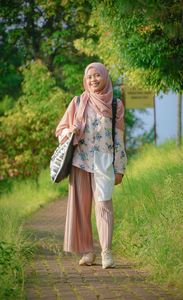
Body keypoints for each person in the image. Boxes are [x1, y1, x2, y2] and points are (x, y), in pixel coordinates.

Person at [55, 62, 127, 269]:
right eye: (89, 77)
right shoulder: (78, 102)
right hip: (79, 163)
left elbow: (119, 138)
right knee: (81, 208)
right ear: (85, 81)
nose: (93, 80)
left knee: (104, 205)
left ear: (104, 77)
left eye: (97, 75)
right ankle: (87, 251)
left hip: (103, 163)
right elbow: (60, 130)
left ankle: (106, 252)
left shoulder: (116, 104)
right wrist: (70, 131)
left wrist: (120, 167)